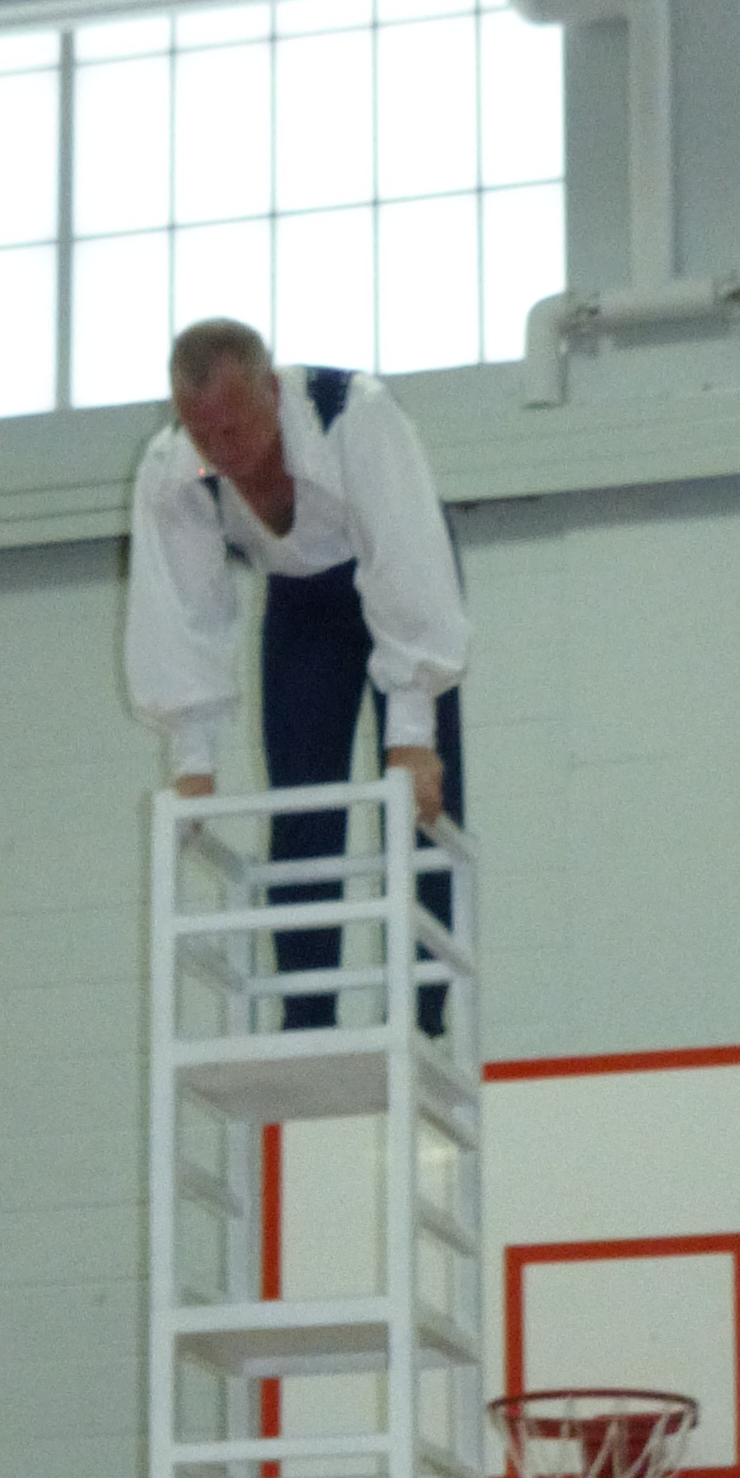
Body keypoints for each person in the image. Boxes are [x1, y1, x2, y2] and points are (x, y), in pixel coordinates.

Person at [123, 316, 468, 1028]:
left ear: (272, 393)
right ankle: (307, 1016)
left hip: (398, 577)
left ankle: (425, 1015)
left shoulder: (356, 419)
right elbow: (182, 614)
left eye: (234, 429)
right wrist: (192, 761)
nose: (222, 453)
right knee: (301, 807)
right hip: (301, 602)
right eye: (202, 435)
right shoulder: (175, 470)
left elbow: (407, 564)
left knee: (419, 800)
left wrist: (412, 733)